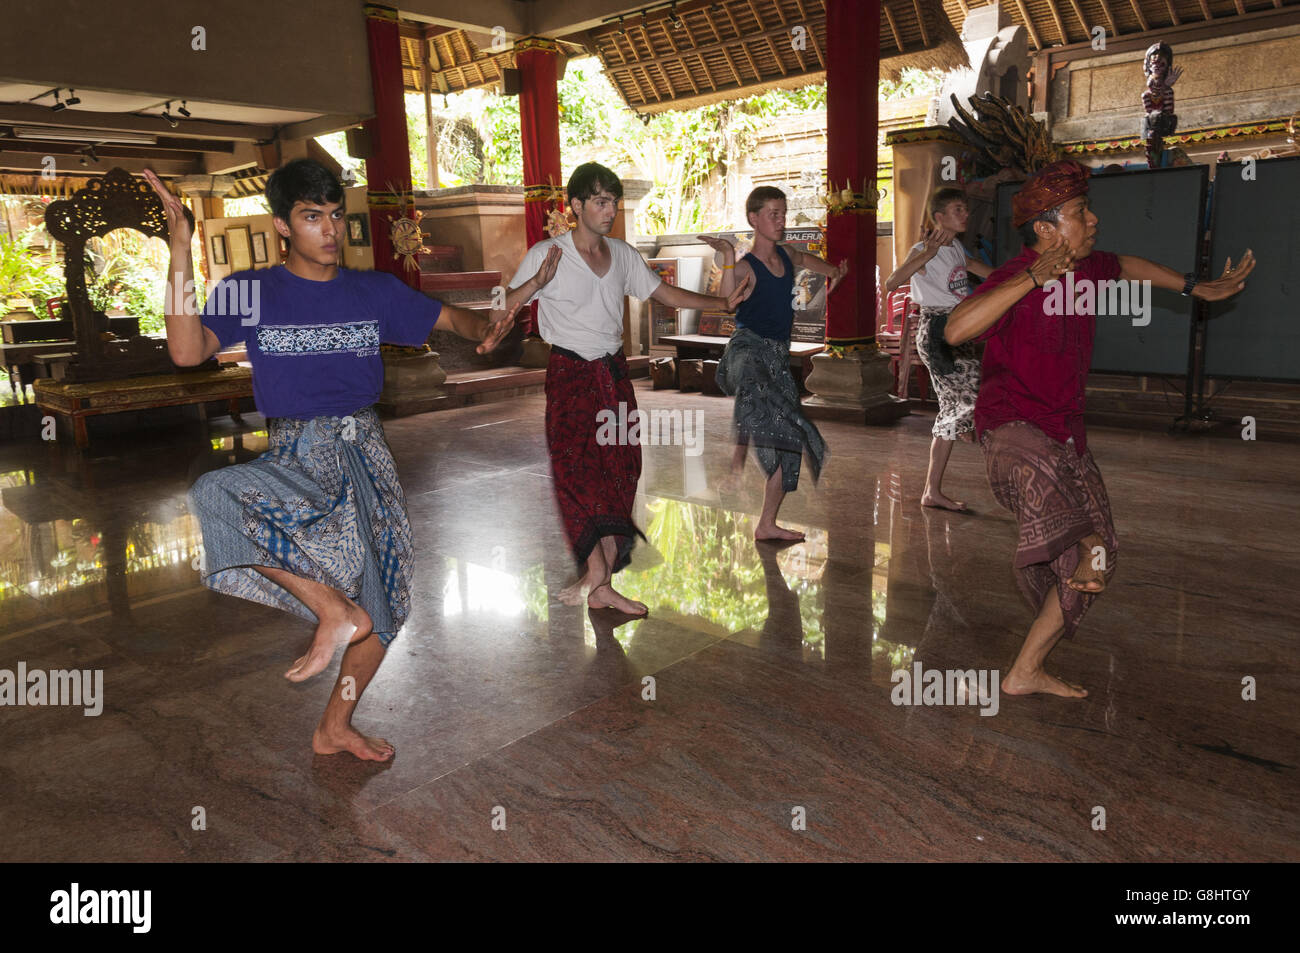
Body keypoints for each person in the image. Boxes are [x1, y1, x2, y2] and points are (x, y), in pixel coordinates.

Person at [144, 160, 538, 761]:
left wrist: (490, 324)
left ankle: (335, 724)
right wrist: (179, 247)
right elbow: (184, 349)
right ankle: (330, 610)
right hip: (294, 454)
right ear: (282, 225)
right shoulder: (252, 291)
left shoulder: (372, 290)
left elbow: (455, 319)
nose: (329, 230)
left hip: (364, 454)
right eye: (311, 217)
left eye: (335, 216)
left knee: (384, 604)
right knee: (214, 493)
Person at [944, 159, 1254, 699]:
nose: (1093, 220)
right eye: (1080, 212)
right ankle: (1081, 538)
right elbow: (955, 330)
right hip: (1011, 426)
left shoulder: (1088, 268)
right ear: (1045, 228)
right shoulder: (1012, 276)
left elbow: (1130, 266)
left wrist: (1194, 288)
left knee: (1103, 558)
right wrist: (1031, 279)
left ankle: (1026, 670)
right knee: (1060, 507)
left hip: (1066, 433)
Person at [497, 162, 747, 616]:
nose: (610, 210)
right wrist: (536, 283)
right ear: (576, 206)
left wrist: (720, 304)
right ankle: (595, 572)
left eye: (614, 201)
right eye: (600, 201)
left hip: (611, 377)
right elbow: (502, 306)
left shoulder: (623, 255)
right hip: (571, 376)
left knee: (622, 470)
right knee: (573, 471)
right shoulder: (546, 253)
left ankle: (601, 580)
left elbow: (663, 294)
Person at [699, 186, 846, 541]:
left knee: (790, 441)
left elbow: (814, 264)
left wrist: (835, 273)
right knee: (758, 390)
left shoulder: (788, 254)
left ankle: (766, 523)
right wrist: (730, 255)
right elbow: (727, 302)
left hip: (778, 355)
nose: (781, 221)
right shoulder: (747, 266)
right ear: (754, 219)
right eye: (773, 214)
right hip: (748, 350)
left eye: (783, 213)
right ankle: (736, 459)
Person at [884, 187, 994, 513]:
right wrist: (925, 255)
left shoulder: (958, 247)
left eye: (965, 209)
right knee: (974, 394)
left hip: (959, 329)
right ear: (939, 217)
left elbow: (975, 266)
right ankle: (968, 428)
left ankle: (932, 491)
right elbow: (892, 283)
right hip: (936, 332)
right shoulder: (922, 249)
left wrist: (1025, 279)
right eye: (958, 209)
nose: (965, 214)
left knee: (952, 412)